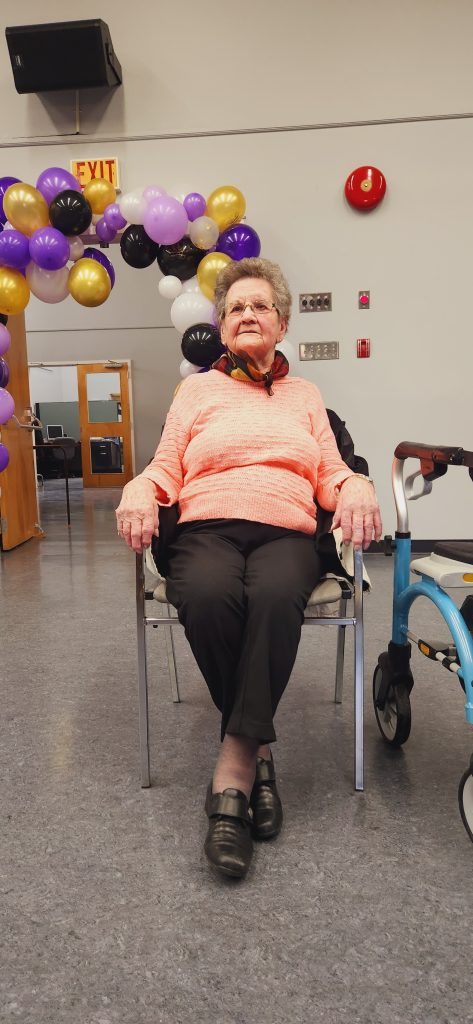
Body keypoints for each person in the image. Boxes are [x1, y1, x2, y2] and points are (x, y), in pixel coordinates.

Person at [116, 257, 382, 880]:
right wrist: (137, 488)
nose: (247, 315)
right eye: (235, 308)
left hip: (285, 532)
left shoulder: (305, 397)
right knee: (206, 595)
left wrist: (357, 485)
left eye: (259, 306)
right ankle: (257, 753)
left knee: (273, 596)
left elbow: (329, 472)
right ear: (222, 325)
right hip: (205, 528)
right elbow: (166, 467)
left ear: (281, 323)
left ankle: (234, 766)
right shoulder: (197, 392)